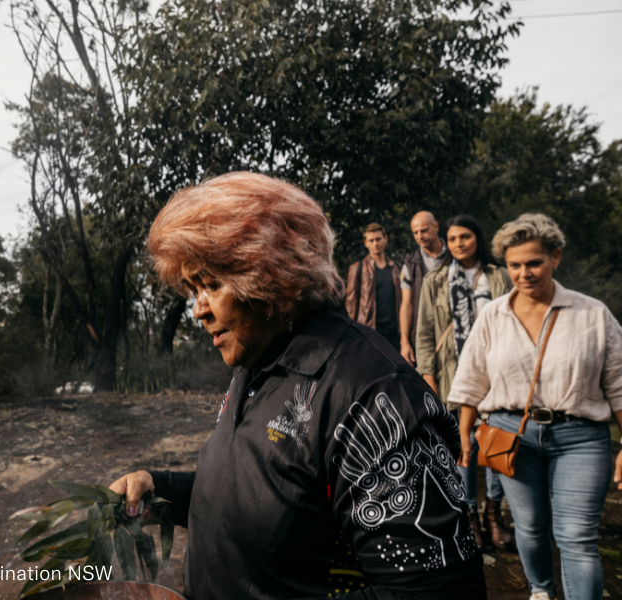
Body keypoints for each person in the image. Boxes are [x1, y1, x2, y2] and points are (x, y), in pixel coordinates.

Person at [111, 173, 485, 600]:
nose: (199, 310)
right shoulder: (256, 360)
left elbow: (439, 592)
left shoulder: (376, 397)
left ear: (270, 272)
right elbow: (267, 490)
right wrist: (160, 486)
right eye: (194, 289)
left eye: (212, 284)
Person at [448, 213, 622, 600]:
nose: (524, 273)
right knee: (529, 527)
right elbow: (472, 380)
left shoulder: (593, 315)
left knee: (576, 535)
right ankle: (540, 591)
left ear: (555, 257)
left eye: (534, 262)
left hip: (581, 438)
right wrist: (464, 435)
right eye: (514, 265)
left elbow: (619, 385)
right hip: (512, 437)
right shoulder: (492, 316)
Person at [415, 215, 514, 550]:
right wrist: (427, 375)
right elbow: (425, 332)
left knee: (498, 439)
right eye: (453, 238)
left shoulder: (500, 276)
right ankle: (469, 513)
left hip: (499, 373)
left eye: (466, 237)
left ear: (477, 239)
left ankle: (493, 512)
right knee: (464, 444)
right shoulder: (436, 280)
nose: (459, 244)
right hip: (454, 374)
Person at [345, 223, 402, 351]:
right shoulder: (357, 268)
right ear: (366, 243)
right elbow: (350, 306)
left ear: (385, 239)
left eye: (378, 239)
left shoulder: (397, 268)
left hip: (394, 334)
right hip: (369, 333)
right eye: (371, 240)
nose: (375, 243)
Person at [399, 211, 446, 365]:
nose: (420, 236)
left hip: (452, 332)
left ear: (436, 227)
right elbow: (406, 306)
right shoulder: (409, 265)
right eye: (415, 233)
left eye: (424, 231)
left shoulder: (454, 257)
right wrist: (405, 342)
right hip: (422, 337)